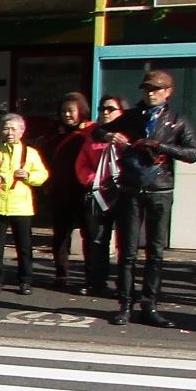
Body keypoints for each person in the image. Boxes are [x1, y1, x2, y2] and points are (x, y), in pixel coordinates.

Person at [105, 70, 196, 327]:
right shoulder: (131, 116)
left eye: (156, 89)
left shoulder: (177, 120)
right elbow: (99, 132)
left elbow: (192, 153)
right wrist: (109, 136)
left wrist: (161, 146)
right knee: (127, 251)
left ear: (168, 92)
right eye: (147, 89)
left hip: (160, 189)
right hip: (131, 189)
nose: (150, 93)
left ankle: (150, 306)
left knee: (155, 252)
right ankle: (125, 305)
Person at [0, 112, 49, 295]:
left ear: (22, 132)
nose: (10, 132)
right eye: (6, 129)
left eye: (14, 129)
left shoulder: (30, 153)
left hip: (21, 207)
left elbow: (42, 175)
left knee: (24, 248)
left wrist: (28, 176)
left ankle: (25, 281)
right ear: (0, 131)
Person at [73, 95, 125, 298]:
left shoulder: (128, 134)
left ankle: (124, 285)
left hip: (123, 193)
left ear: (121, 111)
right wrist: (93, 180)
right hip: (100, 193)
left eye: (111, 109)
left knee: (125, 242)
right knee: (97, 239)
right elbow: (81, 164)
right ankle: (97, 282)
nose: (105, 112)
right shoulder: (93, 135)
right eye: (102, 109)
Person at [41, 93, 91, 291]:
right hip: (60, 191)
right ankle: (61, 273)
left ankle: (91, 275)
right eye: (63, 111)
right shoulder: (53, 136)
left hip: (85, 192)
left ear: (82, 111)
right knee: (61, 234)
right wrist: (47, 186)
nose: (67, 115)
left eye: (71, 110)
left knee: (89, 235)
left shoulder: (90, 134)